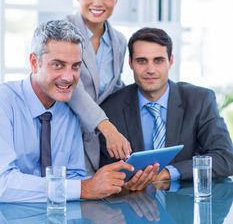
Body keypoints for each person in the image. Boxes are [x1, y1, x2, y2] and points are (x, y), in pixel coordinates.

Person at [0, 20, 159, 203]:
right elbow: (3, 184)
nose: (69, 77)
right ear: (34, 63)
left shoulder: (69, 110)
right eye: (58, 65)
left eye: (75, 66)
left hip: (57, 223)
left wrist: (113, 184)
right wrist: (86, 188)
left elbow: (75, 177)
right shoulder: (4, 103)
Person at [99, 27, 233, 181]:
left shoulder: (200, 100)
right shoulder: (111, 108)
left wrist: (169, 173)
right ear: (130, 63)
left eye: (158, 60)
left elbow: (225, 158)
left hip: (185, 199)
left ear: (171, 61)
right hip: (134, 200)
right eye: (142, 61)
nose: (150, 70)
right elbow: (107, 170)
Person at [67, 0, 131, 174]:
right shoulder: (61, 31)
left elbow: (114, 88)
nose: (98, 2)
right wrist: (107, 127)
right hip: (64, 131)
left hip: (97, 141)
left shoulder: (119, 42)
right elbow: (70, 87)